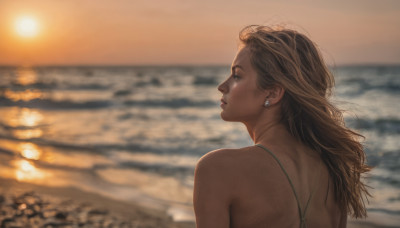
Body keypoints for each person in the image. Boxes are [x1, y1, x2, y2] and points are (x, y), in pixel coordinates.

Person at [193, 25, 371, 228]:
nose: (222, 86)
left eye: (237, 75)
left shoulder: (218, 169)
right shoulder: (334, 173)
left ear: (272, 93)